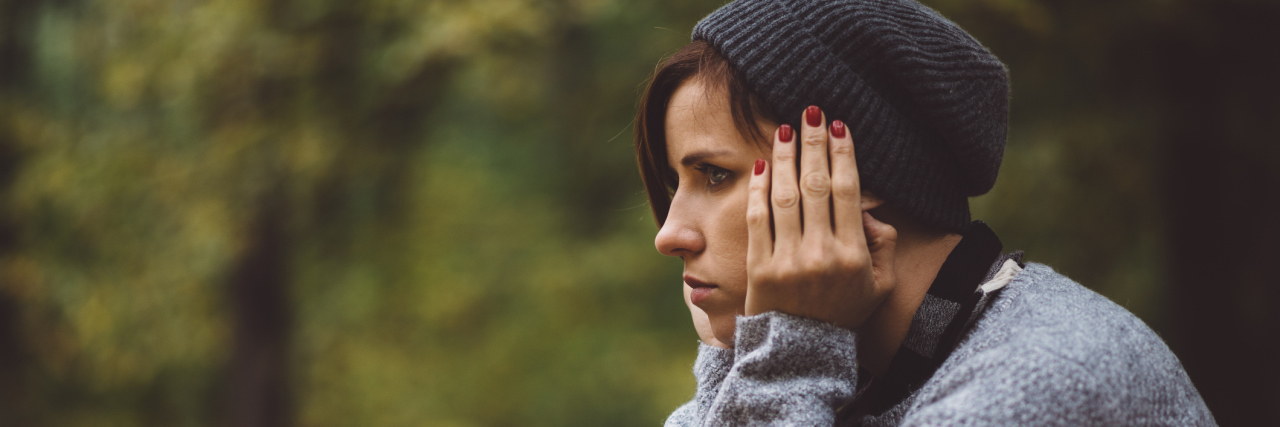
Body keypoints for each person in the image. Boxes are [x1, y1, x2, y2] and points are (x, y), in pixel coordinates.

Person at [632, 0, 1216, 425]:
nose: (670, 234)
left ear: (852, 175)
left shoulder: (1037, 385)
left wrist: (784, 356)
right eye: (676, 182)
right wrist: (741, 357)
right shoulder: (867, 372)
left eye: (715, 174)